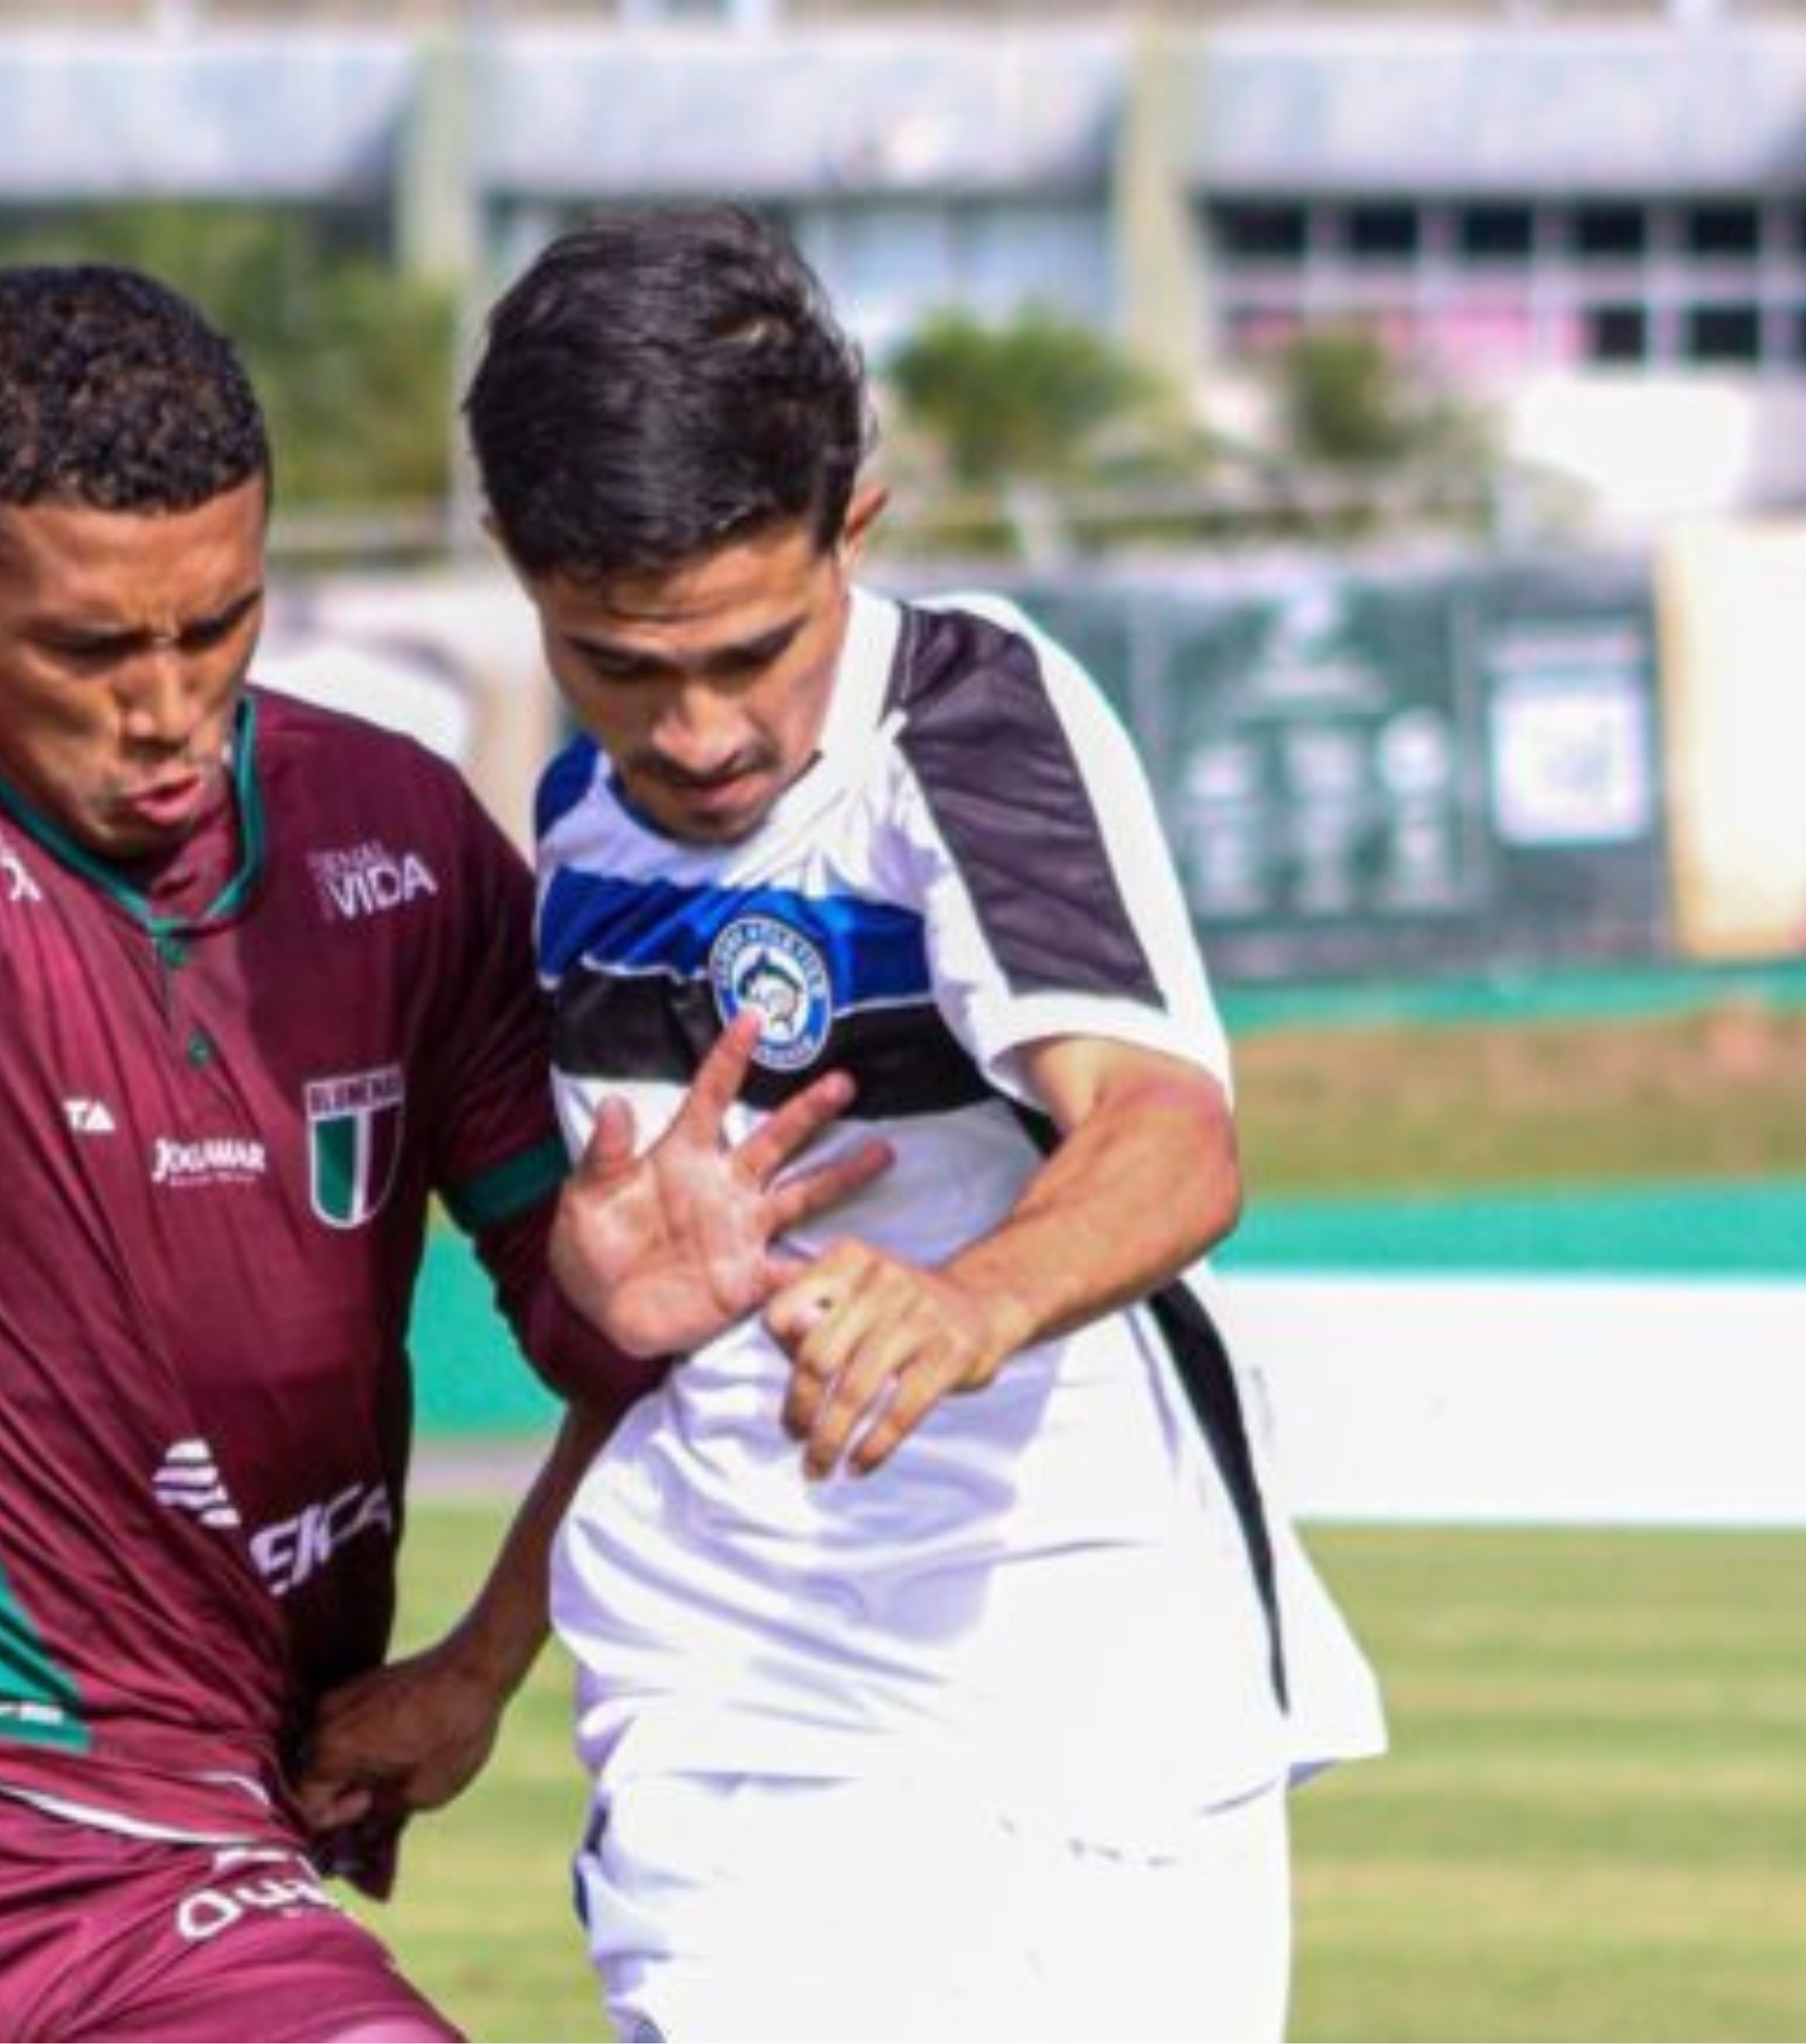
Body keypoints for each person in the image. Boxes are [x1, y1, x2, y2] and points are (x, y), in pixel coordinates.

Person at [0, 262, 882, 2042]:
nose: (165, 702)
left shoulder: (393, 837)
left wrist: (619, 1322)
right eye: (88, 649)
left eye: (215, 627)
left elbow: (584, 1342)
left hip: (192, 1863)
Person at [339, 205, 1388, 2043]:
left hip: (1084, 1682)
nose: (697, 731)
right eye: (618, 661)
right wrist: (482, 1664)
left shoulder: (971, 727)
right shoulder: (576, 832)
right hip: (722, 1697)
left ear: (854, 529)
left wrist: (965, 1300)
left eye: (751, 649)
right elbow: (658, 1363)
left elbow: (1163, 1127)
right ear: (511, 561)